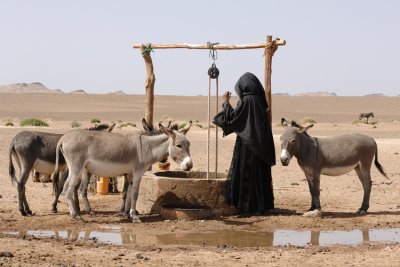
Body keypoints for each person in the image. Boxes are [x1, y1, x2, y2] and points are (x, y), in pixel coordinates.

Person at [213, 72, 276, 215]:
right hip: (260, 145)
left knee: (247, 174)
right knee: (259, 175)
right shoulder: (260, 101)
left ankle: (249, 207)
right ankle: (260, 206)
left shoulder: (247, 101)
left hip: (248, 144)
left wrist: (225, 102)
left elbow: (232, 119)